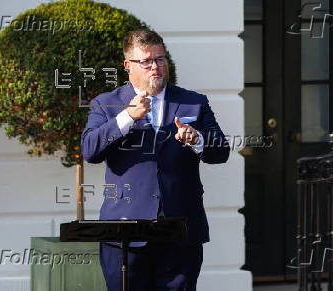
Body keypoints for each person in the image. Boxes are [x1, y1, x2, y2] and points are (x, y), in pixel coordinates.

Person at [80, 29, 230, 291]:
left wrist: (197, 139)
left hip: (180, 231)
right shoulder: (106, 104)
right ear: (128, 65)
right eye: (146, 61)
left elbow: (221, 151)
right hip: (124, 235)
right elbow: (90, 150)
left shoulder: (193, 102)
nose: (155, 67)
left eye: (160, 59)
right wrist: (127, 118)